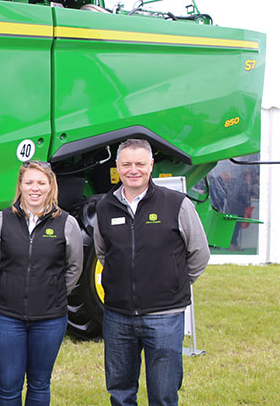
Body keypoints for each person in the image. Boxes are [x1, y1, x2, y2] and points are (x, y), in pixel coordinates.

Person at [93, 138, 210, 406]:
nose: (133, 170)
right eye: (127, 164)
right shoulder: (105, 207)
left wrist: (174, 282)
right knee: (120, 393)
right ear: (117, 166)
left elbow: (199, 253)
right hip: (118, 316)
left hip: (164, 316)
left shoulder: (177, 204)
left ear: (151, 165)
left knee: (164, 394)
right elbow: (103, 253)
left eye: (140, 164)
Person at [0, 160, 83, 406]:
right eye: (29, 182)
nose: (35, 188)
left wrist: (53, 292)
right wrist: (11, 286)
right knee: (9, 385)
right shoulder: (1, 220)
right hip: (9, 318)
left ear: (51, 186)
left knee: (40, 384)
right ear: (20, 185)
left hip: (50, 319)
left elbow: (74, 267)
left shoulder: (67, 223)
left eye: (41, 182)